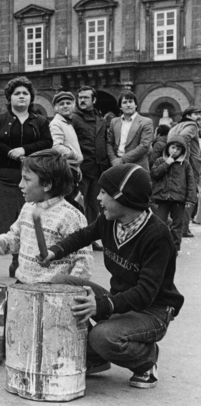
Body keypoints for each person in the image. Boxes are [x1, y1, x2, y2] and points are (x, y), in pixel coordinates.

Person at [40, 164, 184, 389]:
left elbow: (146, 293)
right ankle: (96, 358)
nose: (98, 198)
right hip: (122, 301)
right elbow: (83, 236)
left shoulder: (157, 235)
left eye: (104, 192)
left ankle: (146, 359)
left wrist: (102, 305)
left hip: (152, 311)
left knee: (102, 336)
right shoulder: (109, 220)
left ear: (123, 197)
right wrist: (55, 251)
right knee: (59, 284)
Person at [0, 150, 91, 283]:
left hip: (52, 293)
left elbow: (83, 262)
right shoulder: (28, 208)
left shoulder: (71, 216)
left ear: (47, 184)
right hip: (22, 286)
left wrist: (67, 292)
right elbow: (13, 241)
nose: (20, 184)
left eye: (26, 179)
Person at [0, 76, 53, 279]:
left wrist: (25, 150)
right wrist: (9, 151)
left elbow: (48, 142)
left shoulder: (39, 121)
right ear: (9, 98)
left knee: (24, 220)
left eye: (25, 93)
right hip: (3, 177)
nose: (21, 97)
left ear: (31, 98)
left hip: (31, 180)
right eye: (17, 93)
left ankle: (16, 262)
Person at [72, 86, 109, 251]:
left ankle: (91, 238)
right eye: (80, 98)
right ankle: (75, 239)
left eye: (86, 98)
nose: (82, 101)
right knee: (77, 204)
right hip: (81, 169)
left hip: (97, 168)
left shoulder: (100, 119)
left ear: (94, 100)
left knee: (94, 205)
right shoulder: (73, 118)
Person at [150, 138, 196, 251]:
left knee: (177, 225)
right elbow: (154, 174)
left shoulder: (185, 164)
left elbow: (191, 182)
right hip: (162, 197)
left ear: (183, 151)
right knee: (160, 223)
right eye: (173, 147)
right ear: (168, 148)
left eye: (178, 148)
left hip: (178, 198)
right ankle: (159, 247)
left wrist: (190, 199)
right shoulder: (160, 161)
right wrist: (166, 164)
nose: (175, 151)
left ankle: (174, 248)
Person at [167, 107, 201, 237]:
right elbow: (184, 137)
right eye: (196, 114)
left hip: (174, 165)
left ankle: (177, 226)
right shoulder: (192, 125)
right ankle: (184, 228)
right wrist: (184, 160)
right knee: (190, 197)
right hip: (190, 166)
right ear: (188, 115)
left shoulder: (176, 126)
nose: (199, 117)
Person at [49, 90, 83, 211]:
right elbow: (56, 146)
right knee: (67, 206)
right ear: (56, 108)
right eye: (61, 104)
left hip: (71, 170)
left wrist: (77, 167)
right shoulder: (56, 124)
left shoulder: (67, 123)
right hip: (65, 171)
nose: (65, 106)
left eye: (68, 103)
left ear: (73, 106)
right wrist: (76, 156)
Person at [106, 90, 153, 170]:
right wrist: (113, 159)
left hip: (138, 166)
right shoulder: (114, 122)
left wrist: (122, 160)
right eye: (124, 102)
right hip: (117, 165)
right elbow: (109, 142)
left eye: (130, 102)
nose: (128, 105)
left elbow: (144, 146)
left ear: (135, 105)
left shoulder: (146, 122)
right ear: (120, 107)